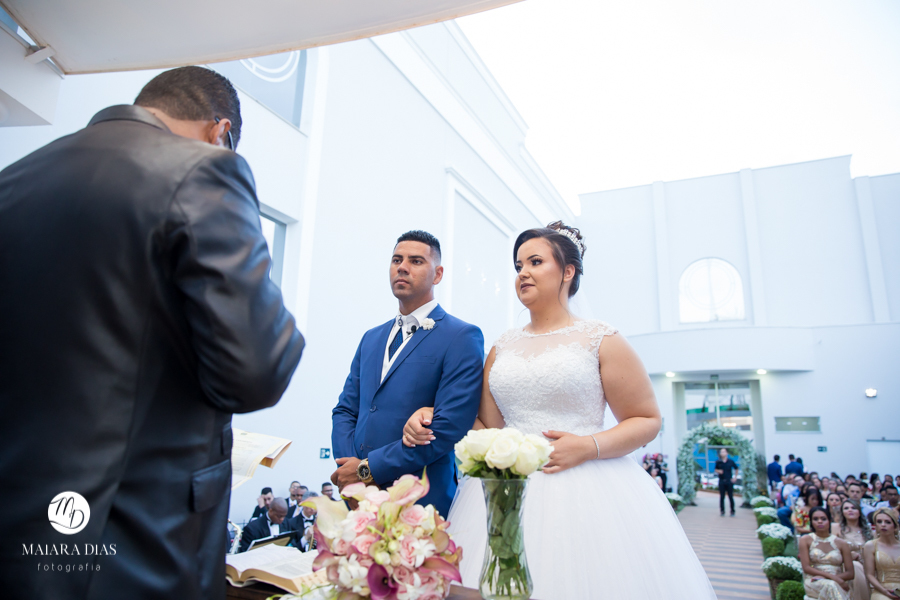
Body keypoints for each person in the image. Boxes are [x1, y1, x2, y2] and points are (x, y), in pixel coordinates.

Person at [0, 67, 305, 599]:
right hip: (134, 542)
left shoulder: (16, 179)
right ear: (220, 131)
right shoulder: (205, 170)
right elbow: (258, 371)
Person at [403, 222, 715, 598]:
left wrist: (588, 446)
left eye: (535, 262)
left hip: (591, 488)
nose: (523, 273)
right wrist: (434, 412)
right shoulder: (501, 347)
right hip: (508, 488)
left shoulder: (602, 339)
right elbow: (486, 425)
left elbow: (647, 419)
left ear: (567, 271)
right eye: (518, 266)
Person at [330, 230, 484, 517]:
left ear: (437, 274)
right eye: (396, 260)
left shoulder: (461, 336)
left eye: (416, 261)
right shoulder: (371, 338)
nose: (402, 267)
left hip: (421, 502)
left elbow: (449, 425)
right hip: (358, 500)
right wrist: (350, 473)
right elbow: (345, 410)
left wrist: (367, 470)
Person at [799, 506, 855, 599]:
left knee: (832, 585)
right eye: (815, 519)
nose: (820, 521)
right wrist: (834, 578)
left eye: (823, 519)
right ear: (811, 522)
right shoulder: (805, 540)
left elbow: (850, 573)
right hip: (814, 580)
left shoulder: (841, 543)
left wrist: (833, 578)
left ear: (829, 521)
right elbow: (806, 568)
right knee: (831, 585)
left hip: (838, 579)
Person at [832, 499, 873, 600]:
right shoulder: (836, 528)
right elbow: (832, 551)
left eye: (853, 508)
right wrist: (849, 556)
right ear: (842, 512)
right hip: (845, 566)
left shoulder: (869, 531)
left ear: (859, 512)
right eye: (846, 508)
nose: (850, 510)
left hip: (867, 565)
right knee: (855, 565)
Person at [863, 508, 900, 600]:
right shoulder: (870, 545)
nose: (883, 525)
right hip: (882, 590)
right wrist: (884, 591)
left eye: (887, 522)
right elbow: (870, 575)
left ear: (895, 526)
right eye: (879, 522)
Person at [715, 448, 739, 517]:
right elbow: (716, 469)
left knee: (730, 496)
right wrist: (719, 471)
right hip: (721, 481)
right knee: (722, 497)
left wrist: (735, 477)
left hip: (729, 481)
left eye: (724, 452)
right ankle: (722, 511)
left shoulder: (730, 461)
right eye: (721, 452)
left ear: (726, 453)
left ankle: (732, 511)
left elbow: (736, 468)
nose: (723, 453)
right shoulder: (718, 462)